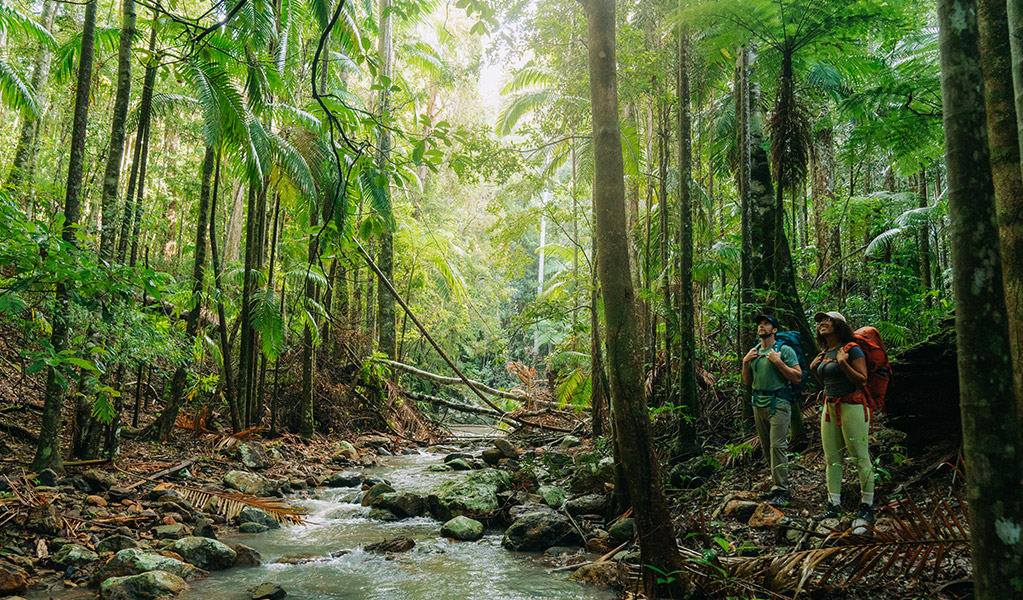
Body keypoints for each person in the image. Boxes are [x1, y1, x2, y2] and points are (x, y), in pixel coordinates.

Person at [809, 311, 875, 525]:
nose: (822, 324)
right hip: (829, 406)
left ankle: (867, 507)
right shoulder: (825, 351)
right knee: (832, 459)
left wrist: (844, 363)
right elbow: (827, 383)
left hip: (852, 405)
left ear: (839, 325)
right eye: (820, 322)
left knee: (860, 458)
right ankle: (833, 505)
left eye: (827, 320)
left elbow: (862, 381)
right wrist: (813, 370)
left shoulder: (851, 350)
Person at [742, 313, 802, 506]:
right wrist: (745, 363)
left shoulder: (784, 350)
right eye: (760, 324)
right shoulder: (754, 352)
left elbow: (797, 377)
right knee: (768, 446)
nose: (762, 326)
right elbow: (747, 382)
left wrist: (778, 361)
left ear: (774, 330)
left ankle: (783, 491)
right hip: (758, 403)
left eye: (766, 324)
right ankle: (776, 486)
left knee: (778, 446)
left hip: (779, 403)